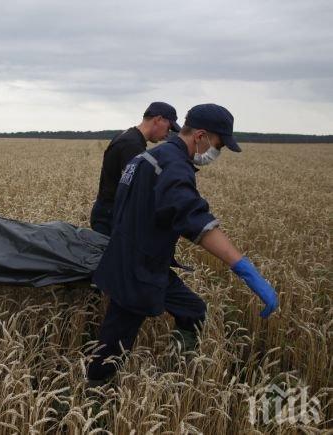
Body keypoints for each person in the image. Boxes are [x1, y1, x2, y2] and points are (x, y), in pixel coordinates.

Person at [87, 104, 279, 386]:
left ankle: (175, 371)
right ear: (200, 135)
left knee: (193, 310)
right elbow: (193, 218)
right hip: (136, 270)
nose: (218, 153)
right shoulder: (173, 166)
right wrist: (244, 268)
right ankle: (95, 397)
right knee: (112, 348)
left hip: (143, 262)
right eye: (219, 145)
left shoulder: (150, 157)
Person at [90, 102, 181, 236]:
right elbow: (138, 189)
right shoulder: (132, 145)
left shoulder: (128, 136)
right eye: (169, 128)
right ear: (158, 120)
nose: (168, 134)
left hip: (106, 211)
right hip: (111, 216)